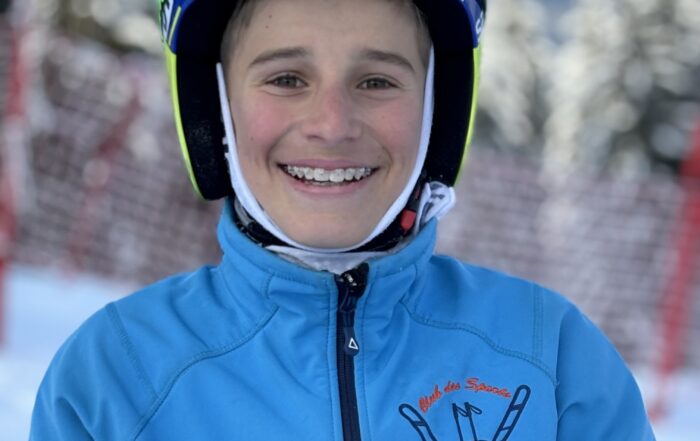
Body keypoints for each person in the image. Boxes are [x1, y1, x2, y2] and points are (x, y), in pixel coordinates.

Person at [30, 0, 656, 439]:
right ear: (217, 108)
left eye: (377, 81)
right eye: (286, 78)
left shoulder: (550, 360)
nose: (332, 125)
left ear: (436, 109)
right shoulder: (118, 374)